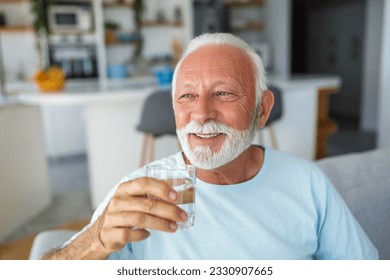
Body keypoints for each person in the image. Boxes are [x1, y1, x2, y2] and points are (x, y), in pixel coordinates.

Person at [44, 33, 378, 260]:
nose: (201, 114)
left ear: (262, 109)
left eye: (223, 93)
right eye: (187, 96)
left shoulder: (308, 183)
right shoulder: (138, 195)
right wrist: (94, 241)